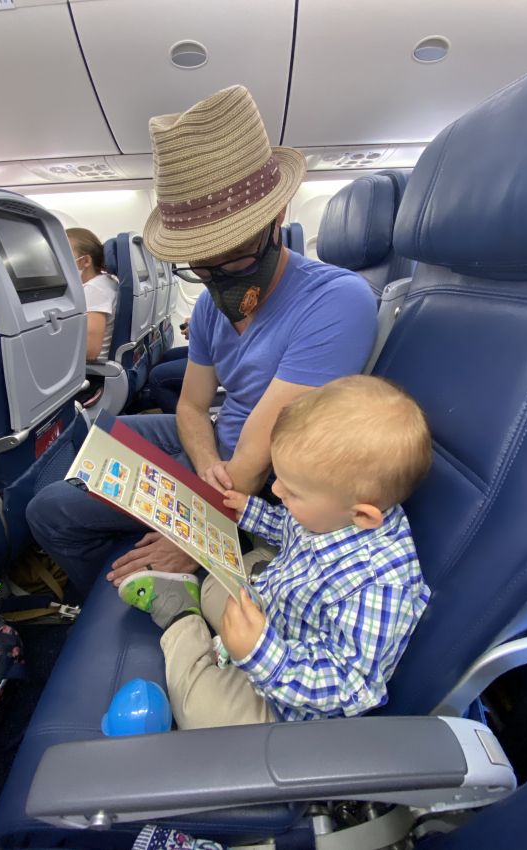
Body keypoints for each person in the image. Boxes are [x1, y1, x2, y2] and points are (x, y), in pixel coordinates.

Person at [27, 85, 378, 597]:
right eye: (201, 265)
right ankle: (123, 540)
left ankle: (118, 589)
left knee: (50, 511)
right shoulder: (214, 302)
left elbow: (263, 450)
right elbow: (193, 407)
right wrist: (205, 459)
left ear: (277, 219)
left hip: (271, 484)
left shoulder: (338, 300)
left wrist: (195, 535)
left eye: (233, 258)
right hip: (221, 453)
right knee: (100, 433)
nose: (218, 278)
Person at [118, 376, 432, 728]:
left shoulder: (378, 585)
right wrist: (250, 512)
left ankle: (180, 615)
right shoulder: (337, 511)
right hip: (278, 610)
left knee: (199, 712)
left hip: (289, 695)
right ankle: (209, 608)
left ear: (362, 515)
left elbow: (350, 686)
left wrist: (265, 655)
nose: (277, 489)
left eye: (293, 491)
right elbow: (290, 525)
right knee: (211, 588)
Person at [67, 227, 118, 362]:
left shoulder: (94, 290)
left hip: (92, 370)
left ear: (86, 261)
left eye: (64, 254)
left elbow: (90, 352)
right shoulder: (105, 281)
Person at [149, 318, 191, 414]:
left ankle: (181, 423)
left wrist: (195, 329)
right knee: (169, 356)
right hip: (213, 350)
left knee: (157, 377)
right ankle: (159, 405)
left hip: (222, 357)